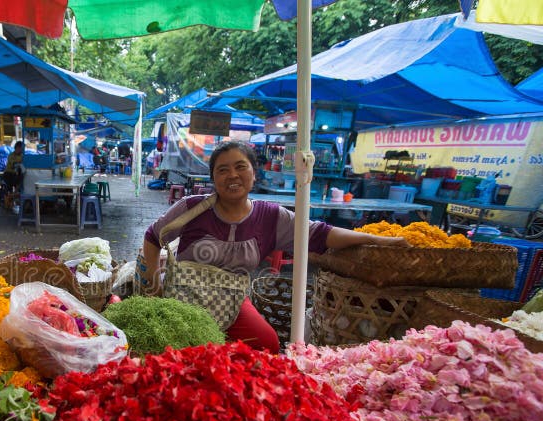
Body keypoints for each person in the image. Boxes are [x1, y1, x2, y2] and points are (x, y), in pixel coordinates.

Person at [139, 140, 407, 353]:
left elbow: (319, 234)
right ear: (213, 179)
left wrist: (375, 239)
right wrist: (154, 283)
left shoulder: (271, 217)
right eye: (222, 170)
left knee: (266, 343)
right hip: (185, 298)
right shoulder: (192, 207)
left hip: (231, 300)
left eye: (240, 167)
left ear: (254, 174)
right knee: (180, 347)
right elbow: (153, 237)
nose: (232, 175)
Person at [2, 141, 25, 209]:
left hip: (16, 174)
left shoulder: (22, 156)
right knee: (9, 186)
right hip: (9, 174)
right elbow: (13, 164)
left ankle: (15, 193)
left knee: (22, 177)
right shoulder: (11, 155)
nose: (22, 150)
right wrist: (19, 164)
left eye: (22, 149)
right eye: (21, 148)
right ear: (17, 148)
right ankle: (9, 199)